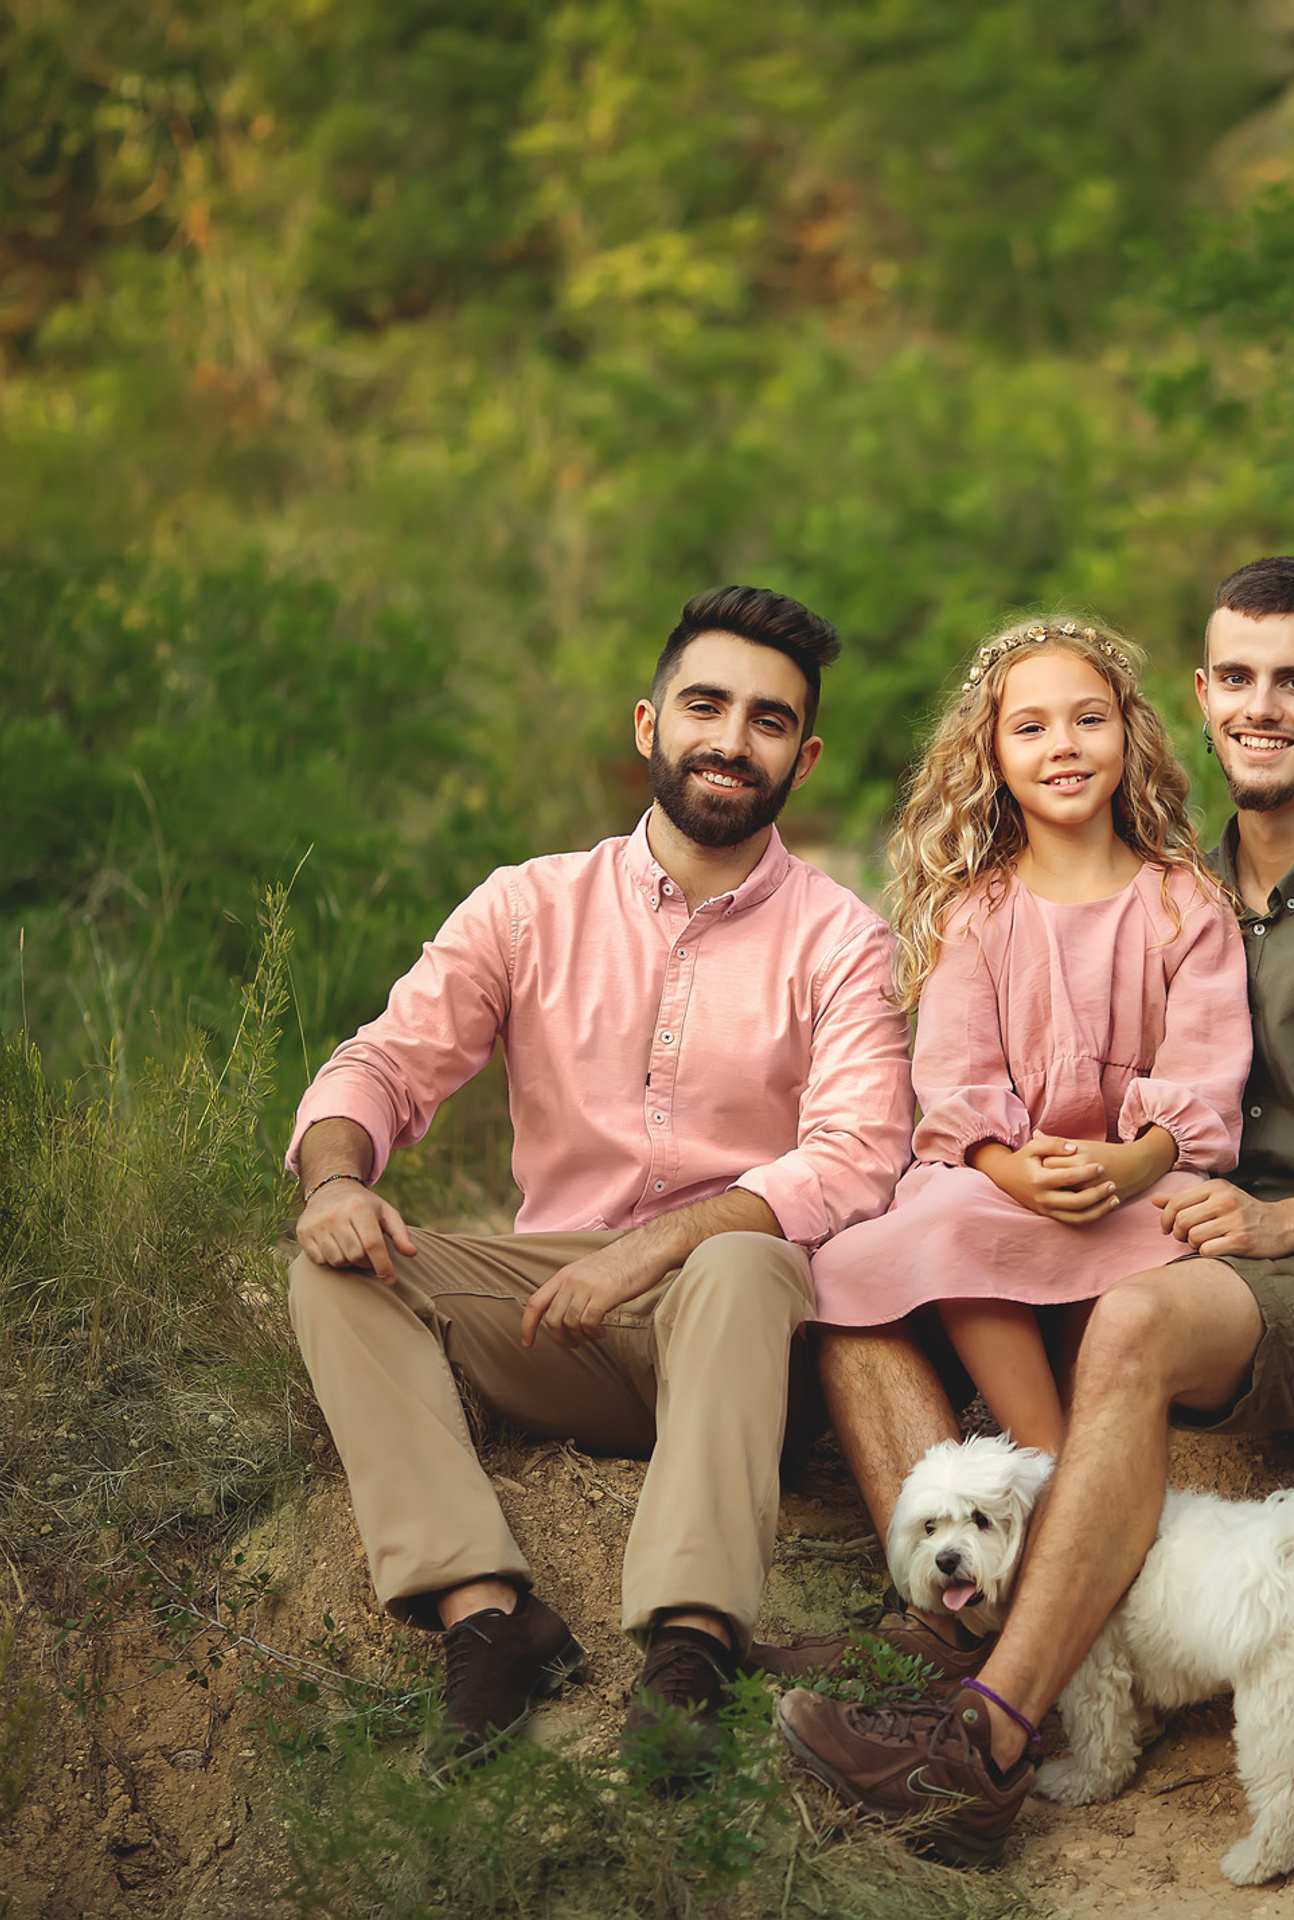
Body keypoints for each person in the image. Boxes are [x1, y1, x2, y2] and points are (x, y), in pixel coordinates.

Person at [779, 556, 1294, 1861]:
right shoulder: (1185, 874)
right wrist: (1021, 1169)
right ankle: (946, 1621)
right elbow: (964, 1083)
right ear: (1193, 696)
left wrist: (1273, 1222)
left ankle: (988, 1743)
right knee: (857, 1290)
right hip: (1184, 1234)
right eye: (1237, 677)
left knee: (1126, 1320)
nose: (1260, 704)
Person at [284, 584, 913, 1774]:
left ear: (805, 756)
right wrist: (333, 1184)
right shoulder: (528, 906)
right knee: (335, 1276)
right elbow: (382, 1064)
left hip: (731, 1326)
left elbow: (855, 1157)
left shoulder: (844, 939)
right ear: (649, 725)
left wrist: (659, 1245)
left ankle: (692, 1646)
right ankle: (490, 1617)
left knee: (735, 1257)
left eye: (768, 721)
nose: (732, 740)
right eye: (706, 706)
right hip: (553, 1319)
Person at [805, 617, 1250, 1454]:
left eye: (1089, 719)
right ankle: (1042, 1453)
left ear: (1129, 733)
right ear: (994, 758)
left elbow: (1206, 1076)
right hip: (1008, 1184)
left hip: (1142, 1182)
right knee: (936, 1217)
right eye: (1031, 727)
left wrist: (1135, 1160)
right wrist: (1012, 1169)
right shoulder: (979, 916)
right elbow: (957, 1086)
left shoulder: (1186, 907)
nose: (1064, 747)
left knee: (1177, 1232)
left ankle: (1099, 1440)